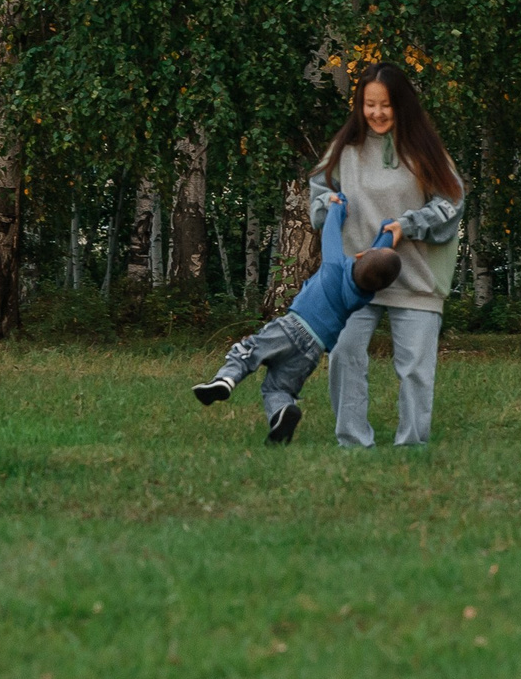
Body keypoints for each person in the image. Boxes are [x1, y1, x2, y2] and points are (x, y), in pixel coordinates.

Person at [314, 62, 464, 447]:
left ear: (402, 104)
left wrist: (407, 225)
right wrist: (327, 203)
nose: (377, 113)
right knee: (344, 354)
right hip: (355, 277)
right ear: (359, 106)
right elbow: (317, 194)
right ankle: (352, 442)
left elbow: (451, 204)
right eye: (369, 105)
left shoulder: (425, 150)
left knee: (415, 367)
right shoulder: (343, 150)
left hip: (414, 278)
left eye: (386, 105)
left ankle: (412, 446)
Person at [191, 200, 402, 444]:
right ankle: (281, 414)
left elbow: (331, 232)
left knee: (248, 352)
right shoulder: (363, 297)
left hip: (291, 328)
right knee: (278, 388)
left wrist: (338, 207)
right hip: (314, 351)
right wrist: (389, 231)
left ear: (360, 254)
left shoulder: (334, 266)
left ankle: (224, 381)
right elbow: (378, 260)